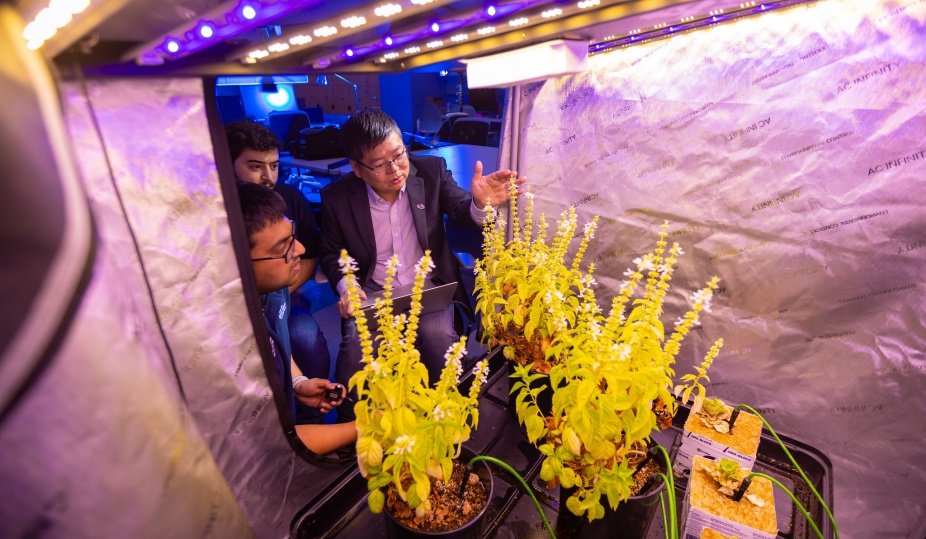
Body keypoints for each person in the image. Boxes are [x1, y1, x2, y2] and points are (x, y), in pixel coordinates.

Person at [317, 109, 526, 420]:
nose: (396, 169)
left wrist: (479, 204)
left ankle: (450, 417)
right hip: (374, 291)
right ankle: (350, 433)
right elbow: (332, 252)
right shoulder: (336, 197)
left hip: (428, 286)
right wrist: (348, 286)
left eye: (399, 154)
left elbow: (458, 210)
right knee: (355, 355)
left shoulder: (430, 170)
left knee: (439, 340)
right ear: (357, 169)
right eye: (379, 164)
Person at [238, 180, 356, 458]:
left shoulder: (271, 290)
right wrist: (371, 429)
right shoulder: (229, 345)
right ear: (239, 260)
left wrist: (297, 382)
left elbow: (273, 340)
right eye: (283, 247)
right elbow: (278, 443)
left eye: (293, 236)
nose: (301, 250)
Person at [226, 119, 330, 424]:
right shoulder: (221, 216)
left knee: (305, 338)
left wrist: (279, 287)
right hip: (246, 304)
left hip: (284, 289)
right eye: (256, 166)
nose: (268, 176)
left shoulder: (292, 199)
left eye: (274, 165)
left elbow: (308, 257)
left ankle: (311, 418)